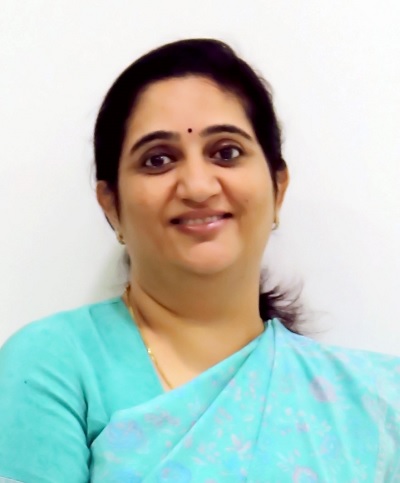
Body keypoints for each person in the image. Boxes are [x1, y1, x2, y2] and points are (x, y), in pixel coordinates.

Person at [0, 38, 399, 483]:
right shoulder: (54, 368)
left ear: (278, 188)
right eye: (158, 160)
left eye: (226, 152)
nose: (197, 186)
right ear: (111, 206)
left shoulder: (377, 405)